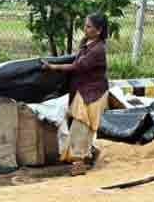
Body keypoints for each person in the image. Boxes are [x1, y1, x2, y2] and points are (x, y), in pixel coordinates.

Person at [40, 13, 110, 176]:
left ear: (98, 30)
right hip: (84, 91)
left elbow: (77, 66)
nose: (85, 29)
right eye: (85, 25)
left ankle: (79, 163)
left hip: (93, 93)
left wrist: (53, 67)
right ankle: (89, 154)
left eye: (88, 26)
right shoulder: (87, 43)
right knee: (81, 126)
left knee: (81, 127)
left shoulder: (98, 50)